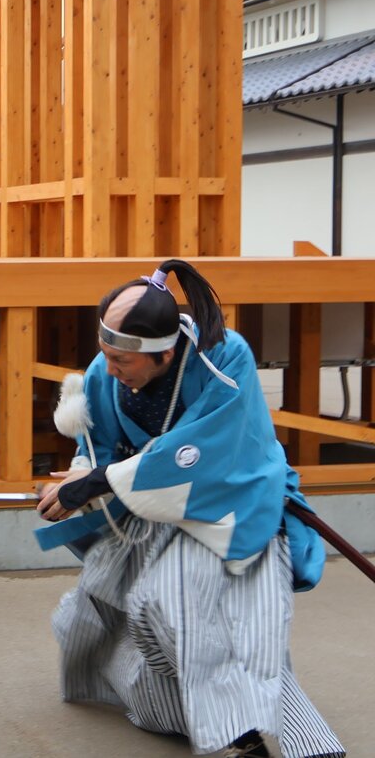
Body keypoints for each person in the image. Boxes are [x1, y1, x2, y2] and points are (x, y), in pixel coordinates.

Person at [34, 259, 344, 758]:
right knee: (116, 604)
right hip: (154, 511)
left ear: (164, 351)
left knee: (195, 611)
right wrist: (79, 476)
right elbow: (97, 447)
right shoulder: (106, 366)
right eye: (106, 355)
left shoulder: (225, 356)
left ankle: (269, 739)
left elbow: (205, 450)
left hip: (230, 507)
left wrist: (100, 478)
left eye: (122, 362)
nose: (109, 369)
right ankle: (202, 715)